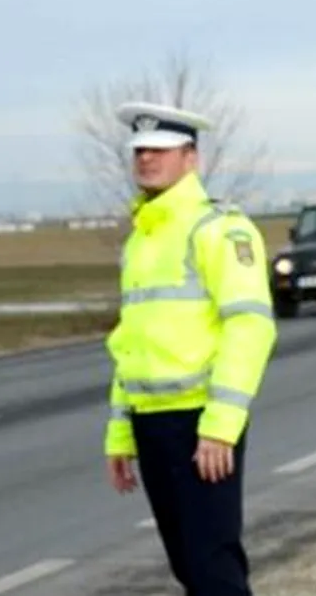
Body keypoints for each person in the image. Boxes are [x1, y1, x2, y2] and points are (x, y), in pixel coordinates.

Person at [103, 101, 278, 596]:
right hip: (151, 420)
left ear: (191, 158)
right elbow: (129, 344)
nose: (146, 160)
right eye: (140, 151)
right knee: (188, 567)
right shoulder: (141, 239)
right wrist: (120, 434)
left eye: (159, 150)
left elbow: (251, 326)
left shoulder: (218, 228)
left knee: (213, 570)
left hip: (200, 423)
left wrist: (221, 428)